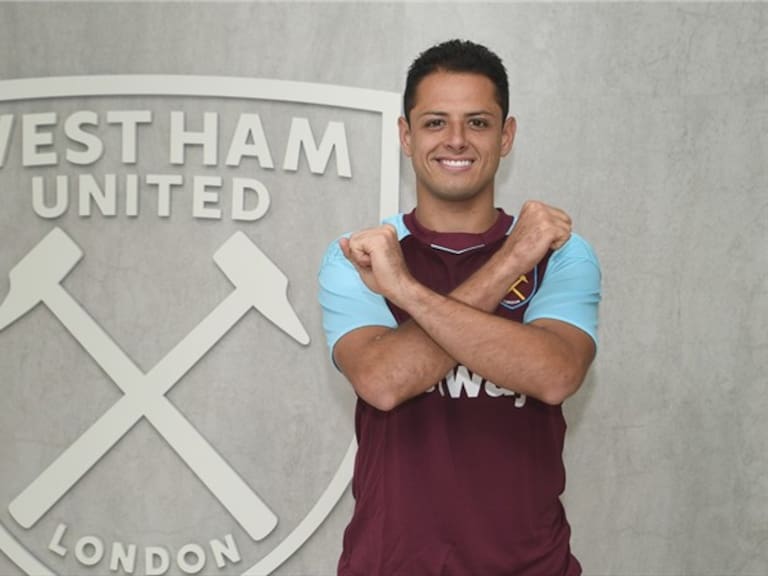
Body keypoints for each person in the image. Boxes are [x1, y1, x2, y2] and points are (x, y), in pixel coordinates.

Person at [318, 39, 601, 576]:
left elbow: (555, 373)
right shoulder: (359, 256)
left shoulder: (562, 253)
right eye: (433, 123)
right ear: (405, 135)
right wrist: (512, 258)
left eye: (477, 122)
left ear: (506, 135)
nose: (455, 140)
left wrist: (404, 293)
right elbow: (383, 381)